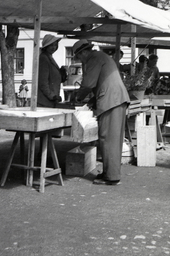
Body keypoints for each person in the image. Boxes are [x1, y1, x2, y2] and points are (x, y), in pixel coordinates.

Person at [72, 39, 130, 186]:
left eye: (79, 57)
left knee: (107, 139)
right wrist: (91, 102)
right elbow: (100, 82)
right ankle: (110, 173)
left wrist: (77, 97)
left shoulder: (94, 58)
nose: (80, 60)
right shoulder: (100, 56)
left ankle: (111, 177)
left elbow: (88, 83)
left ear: (83, 52)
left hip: (111, 101)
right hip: (116, 99)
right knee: (113, 139)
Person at [37, 34, 64, 107]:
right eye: (51, 45)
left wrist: (62, 75)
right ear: (46, 46)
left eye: (55, 45)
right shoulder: (44, 58)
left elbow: (53, 79)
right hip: (45, 102)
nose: (53, 47)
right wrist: (52, 96)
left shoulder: (49, 57)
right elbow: (43, 82)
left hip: (50, 102)